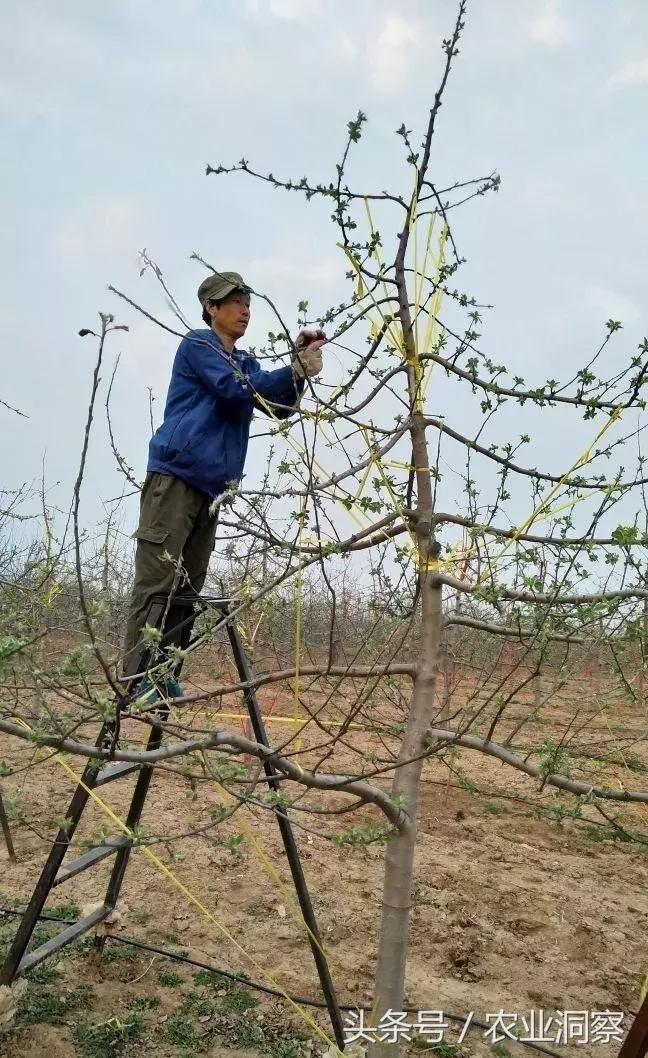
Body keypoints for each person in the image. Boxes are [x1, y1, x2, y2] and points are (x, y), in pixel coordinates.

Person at [122, 269, 325, 695]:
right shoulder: (199, 345)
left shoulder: (246, 363)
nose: (244, 310)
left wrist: (299, 371)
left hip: (212, 490)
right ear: (211, 307)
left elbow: (278, 407)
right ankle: (135, 678)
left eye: (247, 303)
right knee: (158, 581)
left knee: (188, 586)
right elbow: (235, 389)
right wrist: (291, 369)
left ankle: (163, 675)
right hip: (175, 478)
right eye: (234, 303)